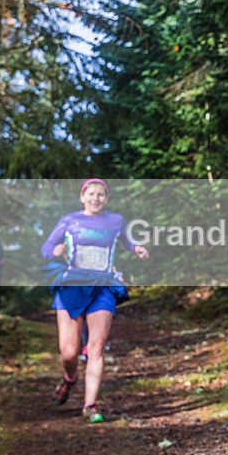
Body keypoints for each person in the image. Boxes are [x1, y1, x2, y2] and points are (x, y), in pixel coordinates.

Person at [41, 178, 149, 423]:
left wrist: (136, 249)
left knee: (97, 347)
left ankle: (90, 404)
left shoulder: (115, 221)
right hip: (73, 286)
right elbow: (46, 247)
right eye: (91, 194)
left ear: (106, 199)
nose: (96, 198)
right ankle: (70, 378)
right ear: (82, 197)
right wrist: (54, 251)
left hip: (103, 287)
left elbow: (126, 241)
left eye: (101, 194)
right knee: (69, 352)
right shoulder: (69, 221)